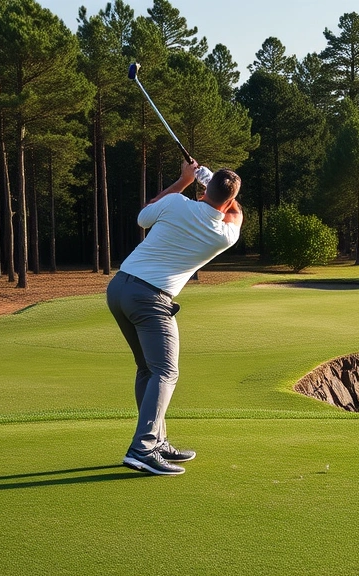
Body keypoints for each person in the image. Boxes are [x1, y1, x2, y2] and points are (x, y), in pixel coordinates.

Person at [107, 159, 243, 475]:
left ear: (204, 189)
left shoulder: (176, 203)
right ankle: (143, 449)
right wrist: (215, 187)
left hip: (119, 288)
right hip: (151, 298)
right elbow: (235, 213)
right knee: (166, 371)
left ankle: (158, 441)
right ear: (228, 199)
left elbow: (143, 217)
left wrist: (183, 180)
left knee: (148, 368)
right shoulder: (223, 234)